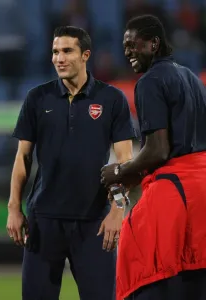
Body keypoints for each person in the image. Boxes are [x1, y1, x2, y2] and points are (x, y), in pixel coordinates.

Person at [7, 26, 135, 300]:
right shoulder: (37, 98)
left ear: (85, 55)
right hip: (44, 221)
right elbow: (23, 157)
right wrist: (14, 207)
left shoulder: (111, 100)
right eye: (55, 51)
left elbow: (125, 162)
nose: (59, 58)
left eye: (67, 51)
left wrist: (117, 210)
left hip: (94, 223)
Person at [101, 15, 206, 300]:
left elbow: (158, 150)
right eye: (124, 46)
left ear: (154, 43)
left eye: (133, 44)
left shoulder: (150, 81)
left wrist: (120, 172)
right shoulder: (193, 80)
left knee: (147, 273)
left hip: (175, 191)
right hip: (203, 188)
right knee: (196, 278)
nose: (127, 52)